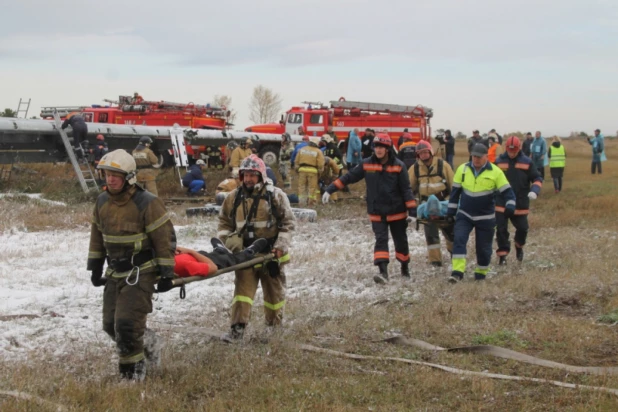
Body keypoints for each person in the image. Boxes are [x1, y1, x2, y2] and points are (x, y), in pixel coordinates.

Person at [87, 149, 176, 380]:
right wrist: (95, 267)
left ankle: (132, 376)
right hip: (115, 272)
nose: (110, 179)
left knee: (126, 324)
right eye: (107, 174)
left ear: (129, 177)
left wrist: (166, 272)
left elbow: (164, 239)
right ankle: (150, 342)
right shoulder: (102, 201)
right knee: (110, 324)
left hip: (141, 272)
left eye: (116, 175)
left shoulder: (147, 202)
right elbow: (97, 236)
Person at [217, 154, 295, 341]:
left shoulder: (275, 195)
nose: (249, 179)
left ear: (261, 175)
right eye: (246, 175)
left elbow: (288, 223)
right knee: (242, 294)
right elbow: (223, 224)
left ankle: (273, 328)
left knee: (274, 295)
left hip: (271, 256)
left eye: (253, 175)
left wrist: (279, 247)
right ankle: (237, 330)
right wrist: (229, 242)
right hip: (245, 256)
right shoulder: (233, 198)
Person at [323, 133, 416, 283]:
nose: (378, 150)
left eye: (382, 147)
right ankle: (383, 273)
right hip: (377, 211)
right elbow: (349, 177)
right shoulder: (367, 163)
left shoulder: (399, 165)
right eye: (376, 147)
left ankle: (404, 267)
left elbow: (406, 189)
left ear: (387, 149)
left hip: (397, 212)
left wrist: (412, 211)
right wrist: (330, 189)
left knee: (401, 241)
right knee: (381, 240)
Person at [447, 144, 515, 282]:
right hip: (465, 215)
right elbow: (454, 194)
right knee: (459, 240)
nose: (476, 159)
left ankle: (481, 273)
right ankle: (457, 272)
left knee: (483, 248)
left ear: (486, 157)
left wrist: (510, 205)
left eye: (479, 157)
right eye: (474, 156)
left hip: (486, 218)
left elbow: (508, 192)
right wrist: (450, 213)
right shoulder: (462, 169)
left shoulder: (496, 172)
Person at [494, 137, 542, 264]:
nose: (512, 153)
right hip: (501, 203)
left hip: (520, 202)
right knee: (501, 230)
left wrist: (534, 190)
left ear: (519, 148)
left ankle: (519, 246)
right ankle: (502, 256)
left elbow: (537, 178)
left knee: (523, 229)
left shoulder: (527, 162)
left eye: (514, 151)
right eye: (510, 151)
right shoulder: (498, 161)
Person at [408, 140, 455, 267]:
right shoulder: (415, 169)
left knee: (450, 232)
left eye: (425, 152)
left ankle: (454, 253)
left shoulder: (443, 165)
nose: (423, 155)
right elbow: (408, 188)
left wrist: (454, 204)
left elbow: (454, 186)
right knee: (431, 235)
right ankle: (435, 260)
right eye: (420, 153)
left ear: (430, 152)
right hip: (427, 206)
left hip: (443, 205)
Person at [173, 239, 269, 278]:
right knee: (231, 260)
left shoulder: (165, 258)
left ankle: (220, 250)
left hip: (196, 256)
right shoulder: (186, 265)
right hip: (205, 261)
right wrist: (191, 251)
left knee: (215, 255)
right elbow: (213, 267)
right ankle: (249, 253)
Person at [295, 136, 325, 206]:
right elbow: (320, 164)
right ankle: (311, 204)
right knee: (312, 188)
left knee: (302, 187)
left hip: (302, 171)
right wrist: (320, 173)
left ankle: (302, 203)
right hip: (313, 172)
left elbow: (296, 161)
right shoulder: (318, 151)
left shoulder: (302, 149)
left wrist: (297, 170)